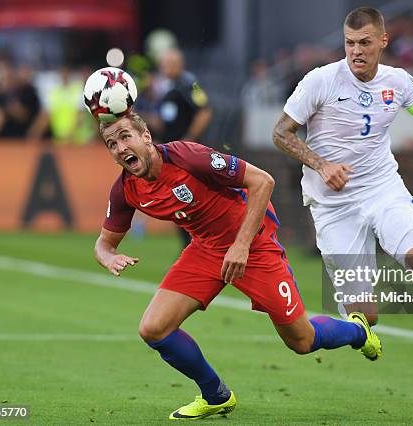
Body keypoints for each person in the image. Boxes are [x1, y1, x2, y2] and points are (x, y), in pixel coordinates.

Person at [272, 7, 413, 413]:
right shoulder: (320, 81)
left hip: (383, 190)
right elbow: (281, 133)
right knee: (365, 316)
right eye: (349, 43)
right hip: (334, 205)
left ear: (383, 42)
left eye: (364, 43)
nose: (356, 52)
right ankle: (358, 327)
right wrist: (322, 165)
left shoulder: (400, 83)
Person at [94, 111, 381, 420]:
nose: (121, 148)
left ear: (146, 137)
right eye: (112, 143)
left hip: (254, 246)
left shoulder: (188, 156)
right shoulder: (126, 189)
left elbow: (262, 182)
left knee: (301, 340)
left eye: (126, 137)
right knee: (153, 329)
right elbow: (103, 243)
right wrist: (109, 256)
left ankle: (358, 331)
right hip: (205, 250)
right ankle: (216, 395)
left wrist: (241, 245)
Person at [149, 47, 213, 247]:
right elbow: (165, 121)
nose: (164, 67)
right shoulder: (168, 88)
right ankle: (189, 247)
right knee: (177, 201)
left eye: (168, 64)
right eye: (163, 64)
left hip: (184, 156)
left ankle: (197, 246)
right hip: (170, 155)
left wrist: (190, 140)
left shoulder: (189, 85)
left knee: (187, 199)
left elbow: (205, 111)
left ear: (179, 64)